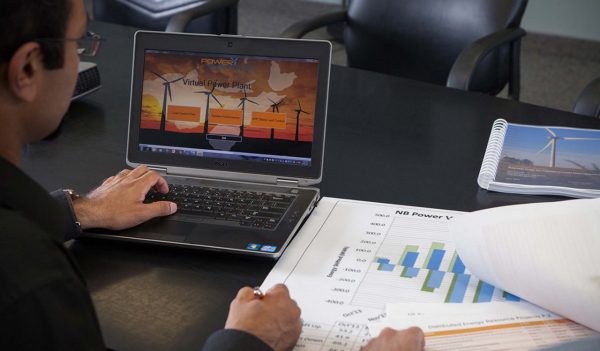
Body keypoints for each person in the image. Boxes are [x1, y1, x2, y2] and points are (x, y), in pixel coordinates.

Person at [0, 0, 424, 350]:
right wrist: (246, 341)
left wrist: (78, 210)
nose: (81, 61)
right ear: (27, 70)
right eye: (79, 44)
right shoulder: (31, 285)